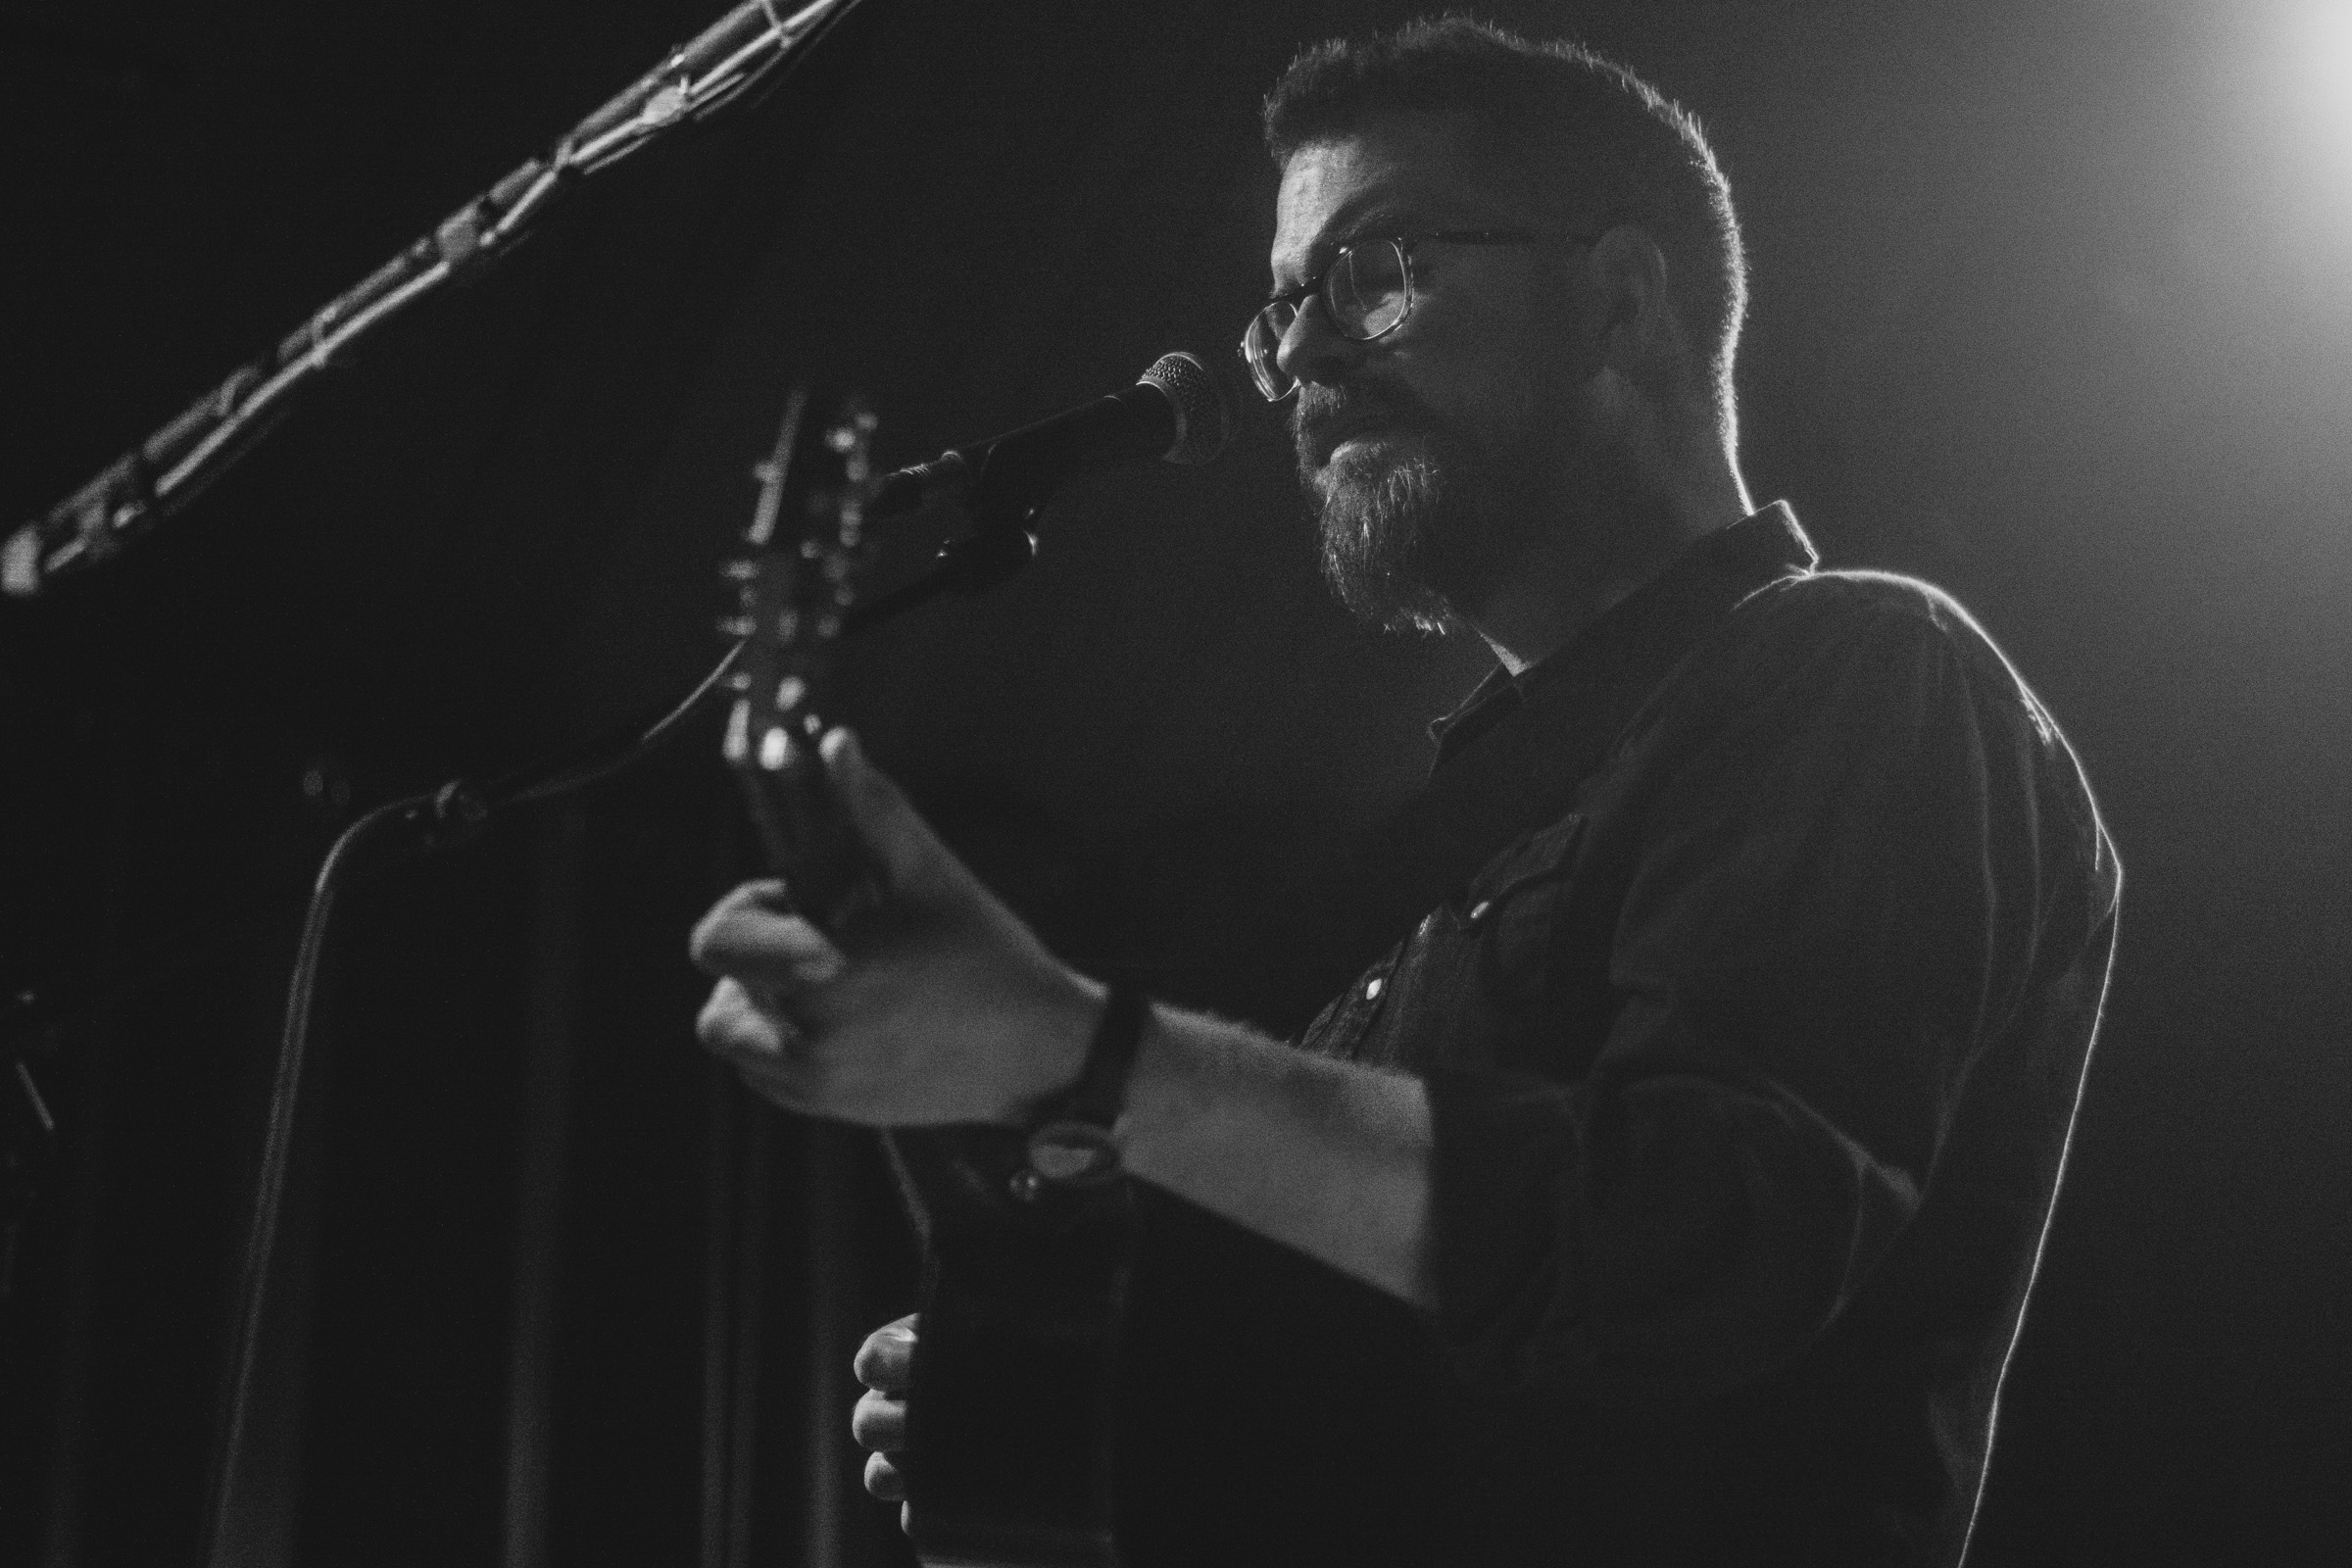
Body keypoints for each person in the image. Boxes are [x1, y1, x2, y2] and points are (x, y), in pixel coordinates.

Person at [690, 17, 2120, 1566]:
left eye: (1377, 268)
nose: (1300, 355)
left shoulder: (1862, 666)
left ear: (1622, 303)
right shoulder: (1455, 840)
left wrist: (1072, 1046)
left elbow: (1688, 1248)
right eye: (1284, 307)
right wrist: (1070, 1442)